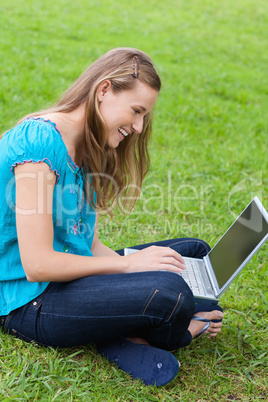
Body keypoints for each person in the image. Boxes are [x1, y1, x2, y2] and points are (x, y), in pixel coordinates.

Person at [0, 48, 223, 386]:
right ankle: (173, 331)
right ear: (104, 90)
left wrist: (139, 264)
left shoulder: (89, 146)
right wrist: (128, 267)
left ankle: (115, 324)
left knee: (192, 251)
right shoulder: (38, 147)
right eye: (136, 111)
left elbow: (88, 245)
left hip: (68, 281)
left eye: (144, 115)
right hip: (26, 301)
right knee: (171, 292)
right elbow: (37, 264)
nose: (138, 126)